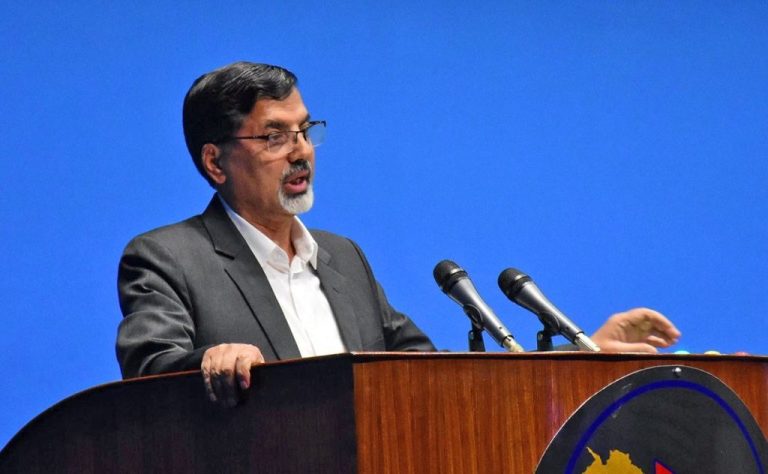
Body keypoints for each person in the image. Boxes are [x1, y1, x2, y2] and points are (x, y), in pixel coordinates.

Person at [116, 61, 681, 407]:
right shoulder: (168, 257)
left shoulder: (341, 259)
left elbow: (434, 376)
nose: (302, 151)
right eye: (274, 137)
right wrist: (210, 358)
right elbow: (148, 369)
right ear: (215, 162)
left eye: (305, 130)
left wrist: (582, 356)